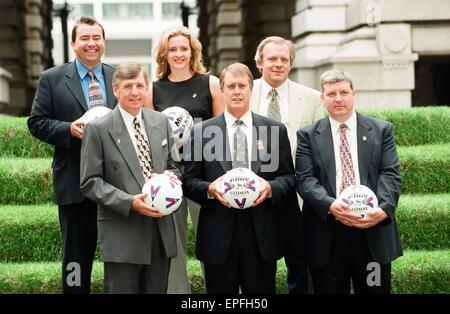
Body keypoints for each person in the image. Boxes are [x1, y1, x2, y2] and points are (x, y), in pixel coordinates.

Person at [182, 63, 295, 293]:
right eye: (230, 86)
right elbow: (189, 181)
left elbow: (289, 178)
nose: (236, 91)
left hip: (261, 236)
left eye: (242, 86)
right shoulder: (201, 132)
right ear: (222, 91)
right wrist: (210, 189)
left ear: (251, 90)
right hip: (218, 236)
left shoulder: (274, 130)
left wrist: (269, 187)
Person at [27, 16, 116, 294]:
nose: (91, 44)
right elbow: (36, 122)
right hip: (74, 183)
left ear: (103, 42)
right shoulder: (52, 79)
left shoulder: (119, 77)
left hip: (118, 184)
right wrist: (69, 129)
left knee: (121, 257)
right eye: (85, 38)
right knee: (75, 261)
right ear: (73, 43)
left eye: (96, 38)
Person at [295, 69, 403, 294]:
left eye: (344, 92)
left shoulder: (381, 130)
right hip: (327, 234)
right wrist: (330, 205)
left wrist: (383, 209)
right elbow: (305, 180)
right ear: (322, 98)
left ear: (354, 94)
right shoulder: (307, 135)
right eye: (331, 93)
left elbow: (390, 173)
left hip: (372, 234)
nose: (338, 98)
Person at [79, 62, 181, 293]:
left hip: (160, 231)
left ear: (146, 89)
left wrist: (170, 177)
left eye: (139, 85)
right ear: (116, 90)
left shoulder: (161, 122)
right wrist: (129, 202)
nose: (135, 92)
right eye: (128, 86)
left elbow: (175, 165)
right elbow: (89, 182)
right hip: (122, 234)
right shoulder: (98, 129)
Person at [144, 26, 224, 293]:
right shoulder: (153, 90)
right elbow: (150, 137)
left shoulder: (211, 84)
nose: (179, 54)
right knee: (173, 245)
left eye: (184, 49)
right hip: (170, 175)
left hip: (204, 174)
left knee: (211, 239)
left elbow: (221, 130)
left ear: (193, 52)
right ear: (164, 55)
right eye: (173, 49)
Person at [250, 36, 323, 294]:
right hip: (257, 194)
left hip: (299, 195)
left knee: (300, 268)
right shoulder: (241, 94)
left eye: (284, 59)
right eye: (272, 59)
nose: (278, 64)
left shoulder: (313, 99)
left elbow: (319, 149)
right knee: (258, 271)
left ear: (291, 63)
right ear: (259, 62)